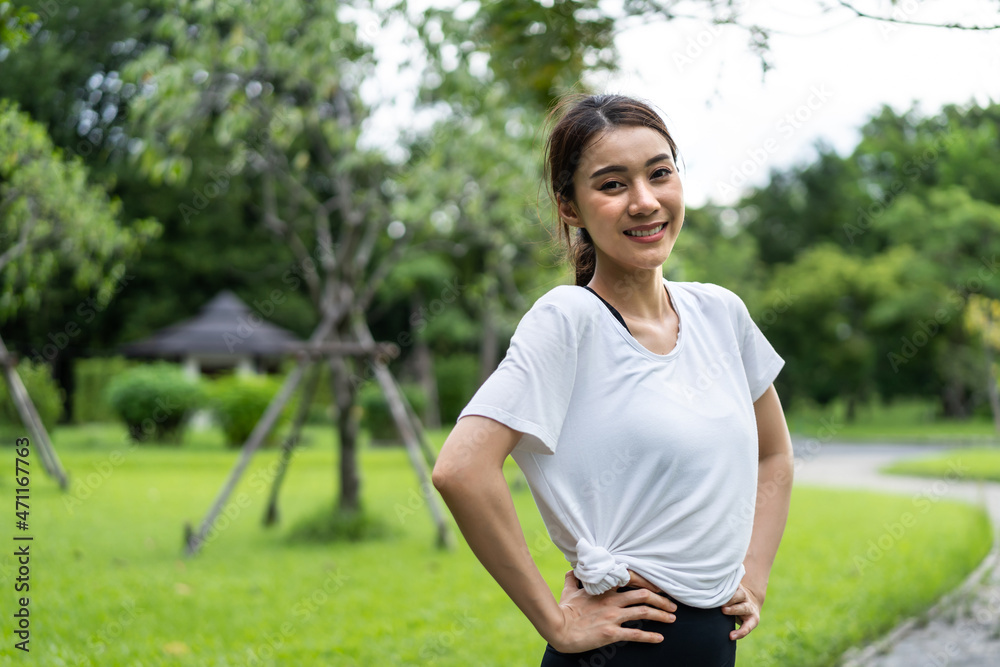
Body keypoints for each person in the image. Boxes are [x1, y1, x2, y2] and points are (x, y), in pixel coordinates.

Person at [431, 93, 794, 666]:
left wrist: (756, 574)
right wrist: (557, 624)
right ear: (570, 207)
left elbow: (773, 455)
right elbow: (460, 469)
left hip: (714, 644)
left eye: (659, 173)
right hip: (623, 650)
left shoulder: (721, 314)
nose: (645, 202)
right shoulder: (567, 321)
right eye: (612, 184)